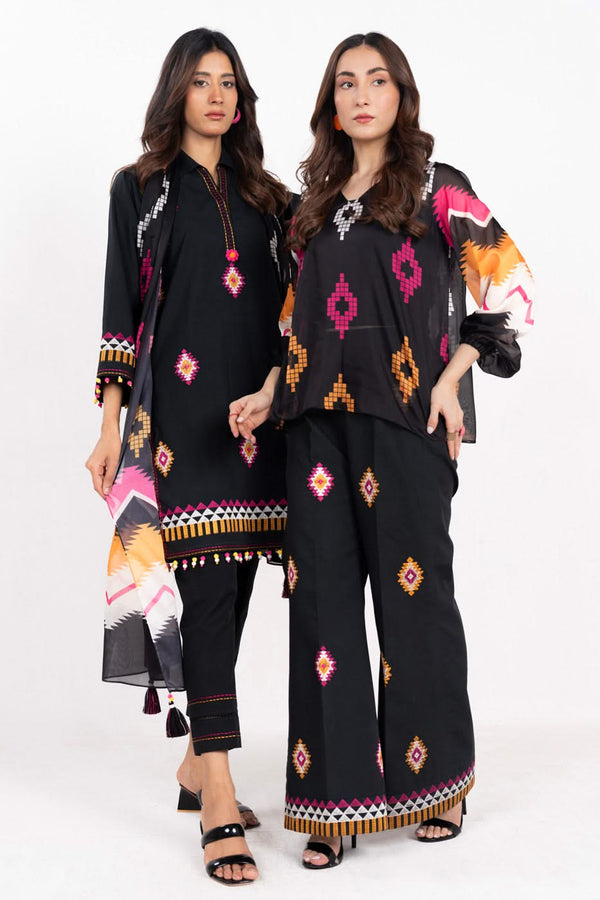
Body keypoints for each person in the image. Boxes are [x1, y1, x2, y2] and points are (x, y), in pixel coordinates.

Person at [230, 32, 534, 869]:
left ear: (401, 95)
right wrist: (269, 388)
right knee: (321, 608)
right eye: (346, 83)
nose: (362, 95)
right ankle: (334, 802)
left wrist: (453, 379)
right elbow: (293, 318)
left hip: (406, 422)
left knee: (415, 600)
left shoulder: (439, 187)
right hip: (314, 425)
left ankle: (438, 787)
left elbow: (508, 283)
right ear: (332, 105)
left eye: (377, 80)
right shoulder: (310, 209)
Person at [86, 28, 291, 886]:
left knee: (233, 590)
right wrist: (110, 425)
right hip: (178, 423)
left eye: (229, 82)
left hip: (258, 422)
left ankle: (193, 763)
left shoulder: (271, 199)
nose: (216, 95)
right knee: (201, 592)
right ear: (177, 91)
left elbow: (297, 307)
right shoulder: (139, 189)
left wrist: (281, 387)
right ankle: (219, 794)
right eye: (201, 80)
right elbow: (121, 310)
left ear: (241, 99)